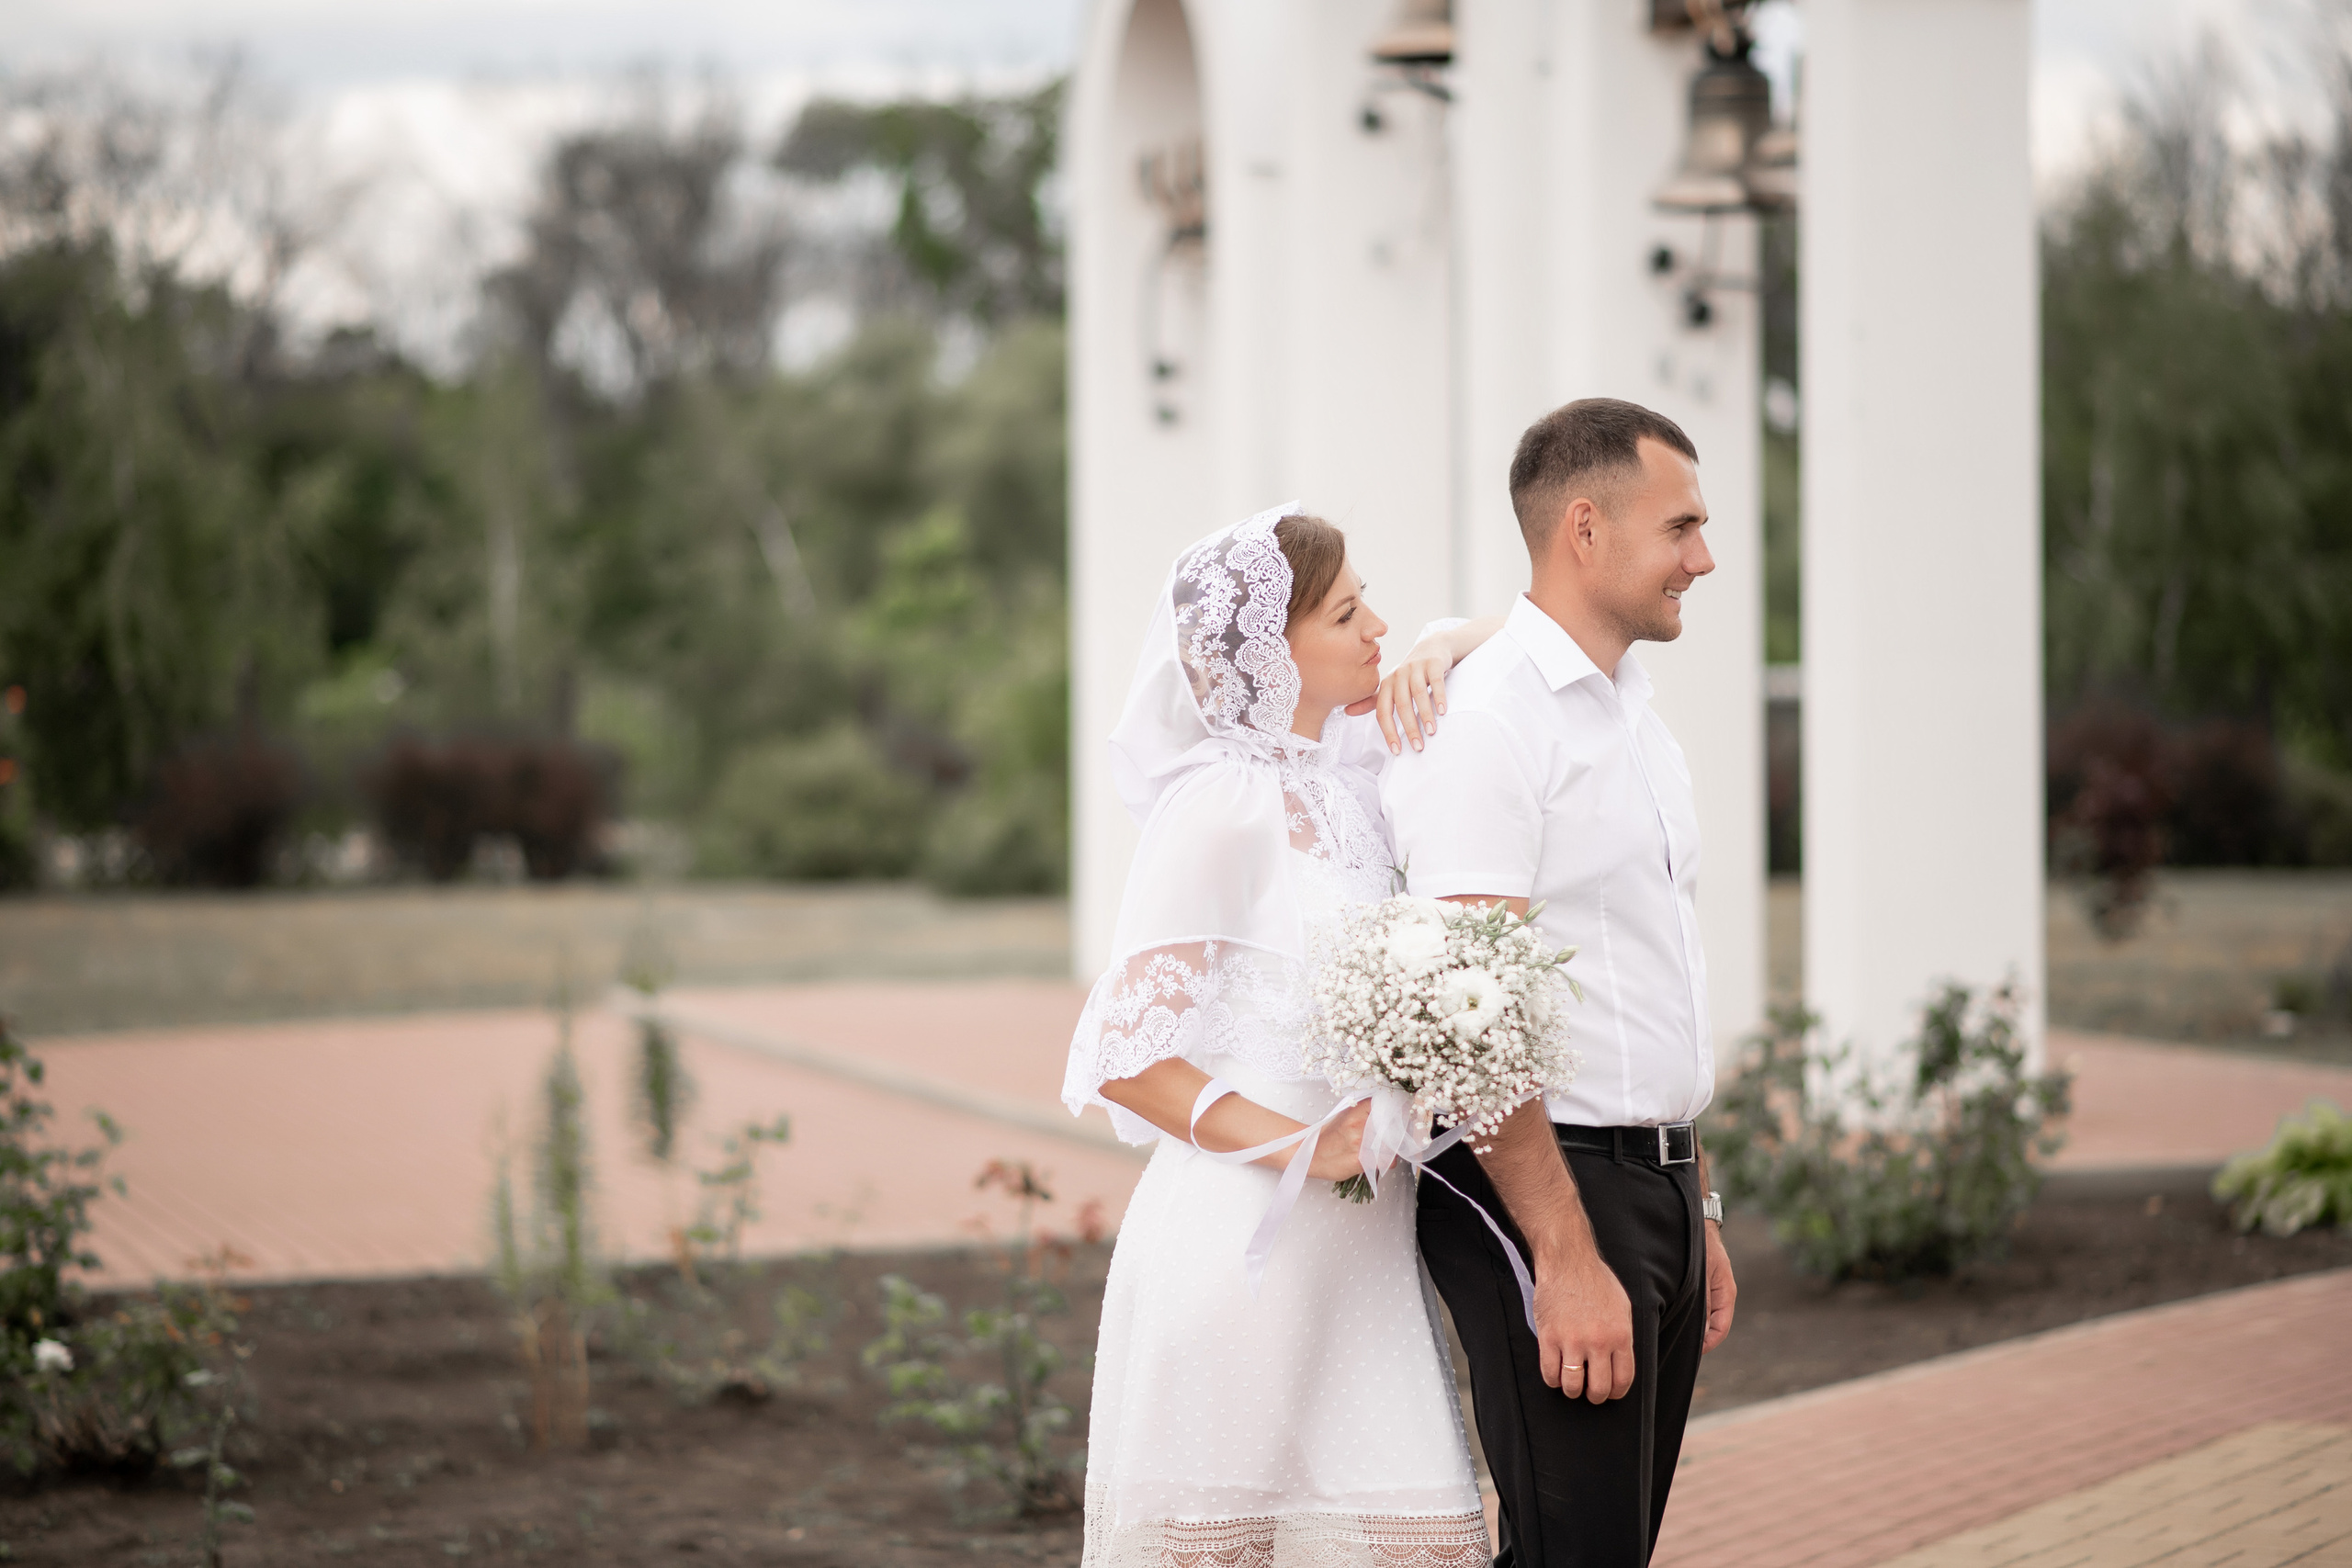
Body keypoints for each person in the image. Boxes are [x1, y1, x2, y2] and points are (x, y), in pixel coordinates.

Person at [1063, 502, 1502, 1567]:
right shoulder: (1217, 805)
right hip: (1240, 1253)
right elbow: (1125, 1059)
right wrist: (1304, 1146)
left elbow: (1538, 635)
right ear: (1270, 650)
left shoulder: (1352, 776)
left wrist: (1444, 642)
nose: (1376, 628)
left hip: (1364, 1264)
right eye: (1347, 614)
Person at [1381, 399, 1741, 1567]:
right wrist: (1565, 1254)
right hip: (1549, 1189)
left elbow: (1652, 982)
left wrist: (1695, 1204)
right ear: (1584, 529)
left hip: (1652, 1188)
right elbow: (1463, 1019)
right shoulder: (1488, 723)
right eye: (1680, 527)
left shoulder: (1629, 713)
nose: (1704, 558)